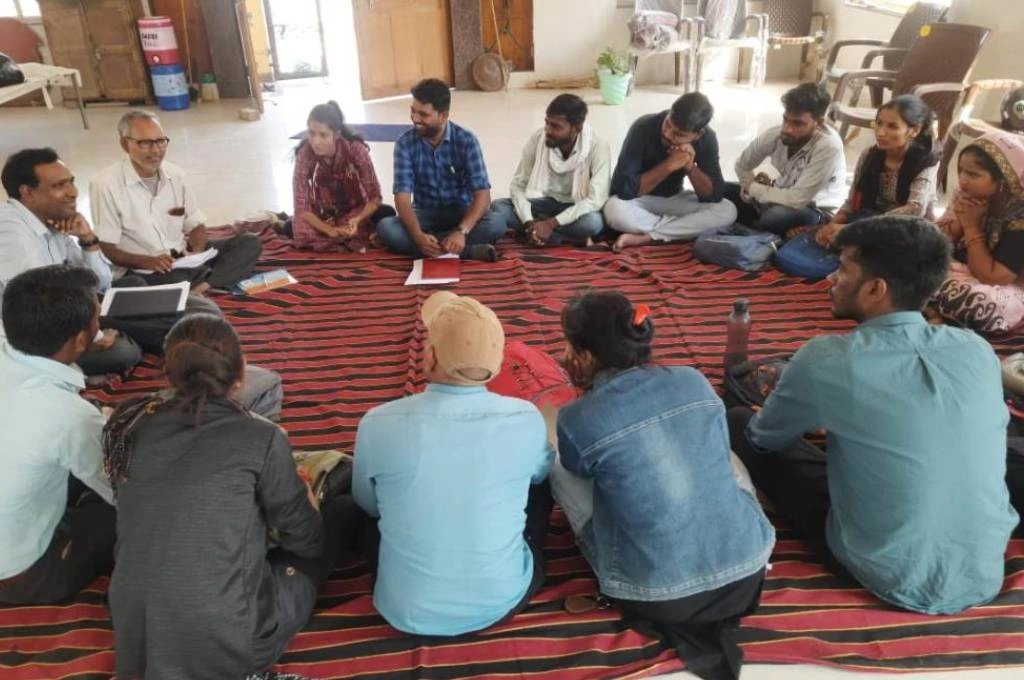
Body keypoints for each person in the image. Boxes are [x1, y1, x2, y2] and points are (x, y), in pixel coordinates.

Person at [729, 215, 1018, 615]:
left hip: (883, 570)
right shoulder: (977, 350)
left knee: (741, 422)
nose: (831, 278)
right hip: (983, 567)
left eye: (843, 270)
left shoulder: (826, 358)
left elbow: (766, 439)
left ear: (876, 289)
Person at [103, 313, 356, 679]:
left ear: (167, 374)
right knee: (342, 512)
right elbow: (306, 541)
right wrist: (306, 501)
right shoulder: (261, 438)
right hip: (231, 642)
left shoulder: (126, 424)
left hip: (137, 635)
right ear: (241, 373)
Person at [549, 290, 773, 677]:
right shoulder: (693, 380)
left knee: (555, 457)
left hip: (656, 594)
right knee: (721, 459)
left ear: (583, 357)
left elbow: (578, 470)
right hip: (748, 572)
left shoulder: (578, 416)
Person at [353, 291, 553, 636]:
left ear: (429, 358)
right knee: (539, 482)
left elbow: (367, 506)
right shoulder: (525, 417)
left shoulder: (378, 422)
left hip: (406, 608)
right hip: (501, 600)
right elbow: (540, 476)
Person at [0, 265, 116, 605]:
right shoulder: (67, 415)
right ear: (83, 338)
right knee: (132, 509)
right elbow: (122, 490)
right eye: (97, 317)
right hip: (19, 574)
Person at [0, 148, 141, 376]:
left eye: (71, 182)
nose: (73, 193)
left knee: (134, 285)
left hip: (67, 313)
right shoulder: (8, 231)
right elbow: (43, 305)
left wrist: (87, 239)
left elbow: (101, 283)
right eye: (59, 186)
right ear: (27, 193)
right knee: (125, 352)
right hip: (31, 339)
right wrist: (93, 337)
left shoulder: (52, 220)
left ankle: (138, 328)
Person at [90, 109, 263, 293]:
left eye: (161, 141)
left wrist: (195, 252)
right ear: (125, 144)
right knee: (147, 283)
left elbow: (196, 225)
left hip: (180, 257)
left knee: (249, 243)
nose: (156, 150)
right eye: (146, 143)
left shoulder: (176, 174)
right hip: (145, 268)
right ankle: (209, 280)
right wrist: (148, 261)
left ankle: (202, 286)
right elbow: (108, 248)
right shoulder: (105, 184)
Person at [376, 79, 507, 262]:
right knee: (387, 228)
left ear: (443, 115)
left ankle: (438, 246)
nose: (415, 119)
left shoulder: (466, 141)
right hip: (425, 213)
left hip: (461, 211)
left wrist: (461, 231)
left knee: (497, 223)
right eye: (413, 111)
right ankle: (466, 251)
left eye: (423, 114)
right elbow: (402, 199)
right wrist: (417, 236)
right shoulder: (404, 144)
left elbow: (483, 195)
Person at [603, 92, 737, 251]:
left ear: (697, 134)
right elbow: (624, 190)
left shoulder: (707, 138)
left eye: (678, 134)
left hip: (675, 198)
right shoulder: (643, 127)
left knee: (727, 210)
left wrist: (689, 167)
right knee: (614, 209)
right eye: (667, 124)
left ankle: (649, 237)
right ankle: (679, 230)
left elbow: (713, 195)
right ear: (669, 112)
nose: (667, 134)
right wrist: (669, 165)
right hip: (639, 201)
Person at [813, 95, 940, 249]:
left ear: (914, 130)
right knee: (833, 239)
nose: (880, 132)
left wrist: (853, 228)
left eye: (892, 126)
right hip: (869, 218)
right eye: (879, 123)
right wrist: (833, 225)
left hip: (907, 228)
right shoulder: (869, 155)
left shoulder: (926, 162)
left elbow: (915, 209)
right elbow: (852, 201)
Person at [725, 82, 846, 236]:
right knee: (722, 189)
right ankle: (758, 228)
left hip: (812, 209)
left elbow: (798, 199)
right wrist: (748, 187)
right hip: (778, 194)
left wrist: (754, 189)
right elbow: (742, 165)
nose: (787, 129)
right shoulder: (776, 135)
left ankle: (757, 229)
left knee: (775, 217)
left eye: (797, 123)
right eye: (786, 119)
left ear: (819, 124)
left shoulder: (829, 147)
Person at [932, 131, 1024, 333]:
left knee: (979, 302)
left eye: (973, 174)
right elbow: (934, 242)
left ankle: (928, 304)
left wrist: (972, 226)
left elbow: (994, 277)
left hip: (1005, 290)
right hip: (961, 272)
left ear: (1003, 179)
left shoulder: (1019, 217)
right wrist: (959, 224)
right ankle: (934, 306)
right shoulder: (966, 196)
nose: (963, 180)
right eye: (962, 171)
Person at [492, 93, 610, 247]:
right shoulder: (538, 139)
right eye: (547, 123)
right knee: (499, 206)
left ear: (577, 128)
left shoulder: (597, 146)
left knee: (592, 223)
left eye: (556, 126)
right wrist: (528, 221)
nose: (547, 130)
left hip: (577, 207)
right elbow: (518, 185)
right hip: (548, 204)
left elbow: (595, 200)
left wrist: (551, 224)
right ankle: (562, 238)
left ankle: (542, 233)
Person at [291, 101, 395, 252]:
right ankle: (339, 240)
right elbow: (301, 206)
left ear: (337, 134)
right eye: (311, 133)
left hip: (352, 211)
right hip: (322, 214)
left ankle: (334, 241)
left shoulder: (355, 150)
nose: (315, 141)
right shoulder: (304, 154)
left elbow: (375, 196)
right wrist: (328, 229)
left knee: (385, 214)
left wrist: (357, 220)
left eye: (323, 135)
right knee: (300, 227)